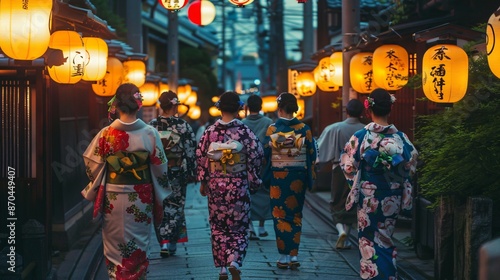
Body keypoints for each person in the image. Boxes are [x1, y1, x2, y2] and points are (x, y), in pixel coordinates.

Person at [81, 83, 170, 279]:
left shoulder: (106, 134)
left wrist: (103, 176)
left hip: (113, 196)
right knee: (139, 242)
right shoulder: (150, 133)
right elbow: (161, 167)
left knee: (114, 244)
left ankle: (116, 276)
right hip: (141, 196)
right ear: (139, 105)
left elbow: (92, 163)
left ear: (116, 107)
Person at [340, 88, 418, 280]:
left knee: (367, 240)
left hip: (368, 196)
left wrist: (357, 185)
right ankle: (389, 276)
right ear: (389, 109)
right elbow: (411, 166)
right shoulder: (401, 138)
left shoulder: (361, 137)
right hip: (392, 195)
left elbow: (348, 166)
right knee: (385, 238)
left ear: (369, 110)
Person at [196, 91, 264, 280]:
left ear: (219, 108)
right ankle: (234, 261)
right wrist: (253, 178)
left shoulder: (210, 131)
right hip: (238, 184)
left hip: (217, 185)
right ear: (239, 108)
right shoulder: (244, 132)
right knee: (239, 227)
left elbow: (201, 156)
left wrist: (204, 181)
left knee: (218, 227)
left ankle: (222, 269)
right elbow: (257, 155)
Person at [262, 92, 317, 269]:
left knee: (279, 214)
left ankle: (283, 256)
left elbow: (265, 153)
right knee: (295, 214)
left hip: (279, 176)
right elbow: (312, 154)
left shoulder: (273, 130)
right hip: (297, 177)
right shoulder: (304, 129)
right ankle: (294, 255)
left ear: (279, 108)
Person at [149, 90, 197, 258]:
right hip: (177, 171)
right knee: (176, 206)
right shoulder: (183, 126)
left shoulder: (152, 125)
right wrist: (193, 171)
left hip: (157, 172)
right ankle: (171, 241)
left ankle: (164, 241)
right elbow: (191, 150)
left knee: (160, 205)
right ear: (174, 105)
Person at [317, 98, 365, 250]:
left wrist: (317, 165)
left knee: (337, 201)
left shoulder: (335, 128)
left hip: (339, 168)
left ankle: (340, 231)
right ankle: (347, 235)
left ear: (347, 111)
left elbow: (320, 150)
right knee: (353, 202)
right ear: (362, 113)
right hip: (359, 170)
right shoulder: (366, 130)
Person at [242, 95, 274, 240]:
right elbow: (272, 143)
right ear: (261, 107)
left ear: (247, 107)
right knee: (265, 191)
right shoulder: (268, 122)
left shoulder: (242, 123)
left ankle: (251, 228)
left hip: (246, 164)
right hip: (264, 162)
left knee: (247, 194)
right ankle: (262, 226)